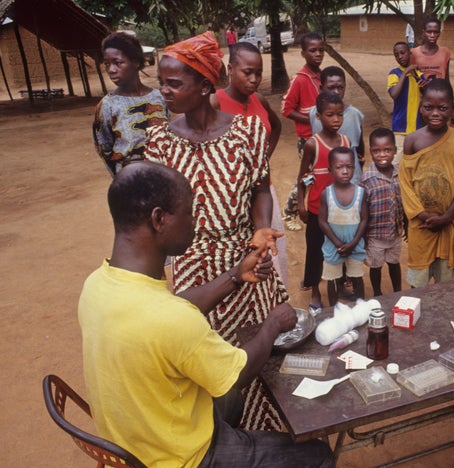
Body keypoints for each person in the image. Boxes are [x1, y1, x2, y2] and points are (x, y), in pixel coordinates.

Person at [79, 161, 334, 468]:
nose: (195, 222)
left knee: (231, 404)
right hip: (182, 459)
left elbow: (171, 306)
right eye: (188, 212)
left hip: (133, 442)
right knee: (317, 456)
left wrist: (236, 275)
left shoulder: (98, 284)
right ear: (159, 219)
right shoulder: (172, 320)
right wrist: (272, 325)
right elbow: (236, 375)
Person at [144, 31, 287, 431]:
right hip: (192, 269)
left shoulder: (247, 132)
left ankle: (265, 436)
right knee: (204, 367)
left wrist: (261, 229)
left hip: (248, 260)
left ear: (205, 85)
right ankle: (220, 439)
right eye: (162, 81)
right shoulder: (160, 142)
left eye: (174, 83)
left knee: (258, 356)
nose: (164, 91)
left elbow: (261, 188)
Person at [210, 41, 288, 285]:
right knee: (242, 254)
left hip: (264, 190)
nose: (254, 79)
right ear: (231, 69)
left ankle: (275, 301)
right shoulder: (216, 103)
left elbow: (275, 127)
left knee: (271, 250)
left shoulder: (260, 100)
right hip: (232, 198)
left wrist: (263, 159)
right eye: (247, 72)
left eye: (258, 72)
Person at [399, 79, 454, 288]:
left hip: (447, 225)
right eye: (428, 107)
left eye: (442, 108)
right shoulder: (412, 141)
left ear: (452, 109)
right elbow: (405, 183)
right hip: (420, 225)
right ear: (420, 107)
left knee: (447, 285)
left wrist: (447, 216)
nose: (435, 113)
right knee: (418, 285)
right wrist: (422, 214)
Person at [297, 92, 350, 312]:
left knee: (339, 249)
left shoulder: (345, 141)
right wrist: (301, 203)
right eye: (330, 115)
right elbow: (302, 176)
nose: (336, 119)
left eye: (339, 114)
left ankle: (338, 286)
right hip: (318, 210)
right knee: (316, 252)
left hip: (340, 210)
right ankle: (316, 292)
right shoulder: (312, 145)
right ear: (319, 116)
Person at [92, 31, 168, 176]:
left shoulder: (159, 98)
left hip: (162, 174)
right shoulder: (108, 105)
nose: (111, 70)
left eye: (118, 62)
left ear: (136, 62)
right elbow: (104, 148)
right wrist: (120, 177)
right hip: (129, 178)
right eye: (107, 64)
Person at [281, 32, 325, 231]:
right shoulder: (299, 79)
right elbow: (286, 109)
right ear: (303, 53)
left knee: (318, 174)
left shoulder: (321, 76)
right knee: (307, 177)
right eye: (312, 50)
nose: (318, 54)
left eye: (321, 50)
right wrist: (311, 119)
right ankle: (289, 212)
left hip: (322, 137)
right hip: (307, 138)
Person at [319, 147, 368, 306]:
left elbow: (364, 220)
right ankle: (333, 310)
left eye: (349, 167)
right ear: (330, 170)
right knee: (332, 279)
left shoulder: (361, 193)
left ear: (355, 167)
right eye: (339, 167)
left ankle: (360, 308)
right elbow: (322, 222)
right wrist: (338, 244)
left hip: (355, 245)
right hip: (334, 246)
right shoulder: (326, 193)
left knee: (356, 277)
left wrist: (353, 243)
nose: (345, 171)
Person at [361, 128, 403, 296]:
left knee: (394, 263)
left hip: (395, 233)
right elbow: (362, 211)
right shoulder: (366, 180)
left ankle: (397, 292)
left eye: (387, 150)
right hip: (375, 235)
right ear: (371, 151)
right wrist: (363, 237)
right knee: (375, 266)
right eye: (377, 151)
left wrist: (404, 223)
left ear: (394, 150)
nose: (382, 154)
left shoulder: (400, 174)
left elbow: (402, 202)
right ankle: (377, 293)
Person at [309, 66, 365, 184]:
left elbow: (359, 147)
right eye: (331, 88)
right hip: (324, 178)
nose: (336, 92)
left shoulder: (355, 115)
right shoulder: (314, 113)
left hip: (351, 179)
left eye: (340, 87)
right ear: (321, 88)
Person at [388, 41, 423, 164]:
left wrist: (416, 76)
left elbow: (426, 92)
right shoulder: (394, 74)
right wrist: (405, 72)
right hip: (400, 127)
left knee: (415, 160)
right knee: (397, 160)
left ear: (410, 53)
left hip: (418, 126)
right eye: (396, 55)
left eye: (403, 53)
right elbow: (394, 94)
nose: (400, 57)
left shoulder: (418, 73)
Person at [410, 17, 451, 83]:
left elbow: (446, 78)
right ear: (423, 32)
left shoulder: (445, 52)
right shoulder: (413, 53)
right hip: (419, 93)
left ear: (439, 33)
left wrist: (449, 92)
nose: (432, 35)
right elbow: (411, 77)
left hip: (440, 92)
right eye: (429, 32)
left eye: (436, 32)